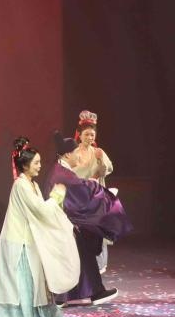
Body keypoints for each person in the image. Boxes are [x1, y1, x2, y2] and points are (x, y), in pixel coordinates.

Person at [0, 139, 80, 317]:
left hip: (29, 241)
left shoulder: (34, 185)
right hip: (18, 243)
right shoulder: (21, 185)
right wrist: (56, 196)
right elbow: (41, 210)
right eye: (36, 163)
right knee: (22, 287)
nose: (40, 166)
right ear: (25, 165)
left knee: (35, 286)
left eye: (40, 162)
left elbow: (43, 214)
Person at [47, 132, 132, 307]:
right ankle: (88, 293)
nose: (78, 155)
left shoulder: (61, 170)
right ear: (67, 155)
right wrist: (104, 192)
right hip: (64, 224)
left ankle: (83, 294)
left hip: (66, 222)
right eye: (76, 152)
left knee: (82, 256)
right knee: (81, 254)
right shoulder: (63, 173)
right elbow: (83, 190)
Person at [66, 110, 115, 273]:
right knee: (80, 231)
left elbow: (106, 170)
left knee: (97, 229)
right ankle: (79, 267)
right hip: (79, 197)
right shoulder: (74, 153)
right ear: (79, 135)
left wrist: (100, 159)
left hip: (96, 196)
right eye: (87, 134)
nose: (90, 137)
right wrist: (88, 174)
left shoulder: (97, 151)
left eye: (92, 135)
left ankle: (97, 267)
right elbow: (71, 174)